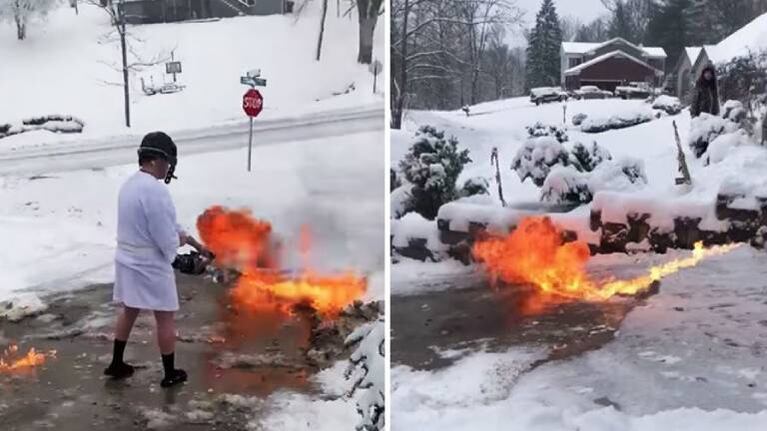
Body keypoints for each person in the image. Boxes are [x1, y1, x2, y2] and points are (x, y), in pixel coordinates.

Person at [104, 131, 209, 388]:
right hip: (150, 264)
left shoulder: (130, 185)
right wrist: (178, 258)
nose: (169, 168)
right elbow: (163, 234)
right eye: (168, 162)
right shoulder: (155, 191)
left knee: (129, 309)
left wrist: (193, 241)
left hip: (127, 259)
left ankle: (116, 363)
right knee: (165, 317)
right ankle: (170, 373)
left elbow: (167, 224)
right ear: (156, 160)